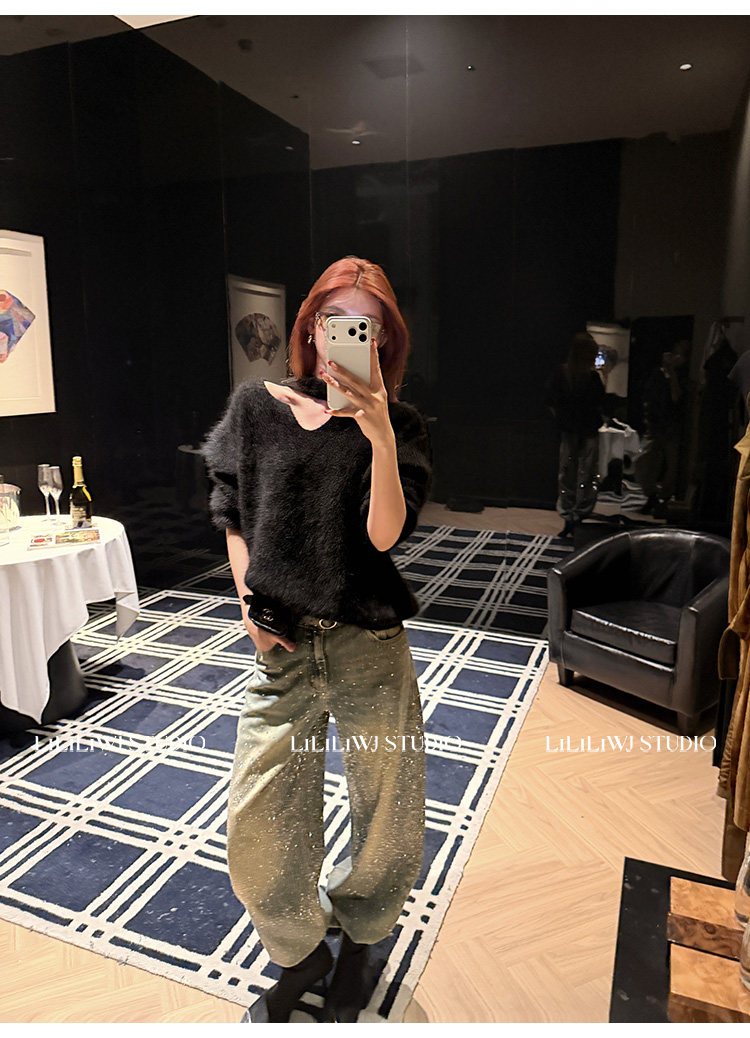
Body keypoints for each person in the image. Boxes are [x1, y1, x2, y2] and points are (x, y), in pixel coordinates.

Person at [201, 256, 433, 1023]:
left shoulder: (399, 423)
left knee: (387, 816)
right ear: (310, 326)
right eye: (336, 319)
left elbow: (385, 534)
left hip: (369, 645)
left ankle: (361, 940)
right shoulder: (255, 407)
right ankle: (302, 952)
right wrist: (249, 605)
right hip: (284, 649)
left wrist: (381, 436)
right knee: (259, 823)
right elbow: (231, 510)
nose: (348, 334)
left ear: (385, 337)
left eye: (367, 323)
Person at [545, 332, 606, 538]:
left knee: (572, 475)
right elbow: (598, 404)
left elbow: (551, 402)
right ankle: (575, 516)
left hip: (577, 430)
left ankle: (571, 516)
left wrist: (563, 419)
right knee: (580, 475)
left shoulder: (570, 375)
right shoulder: (582, 377)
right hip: (581, 430)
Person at [635, 340, 689, 519]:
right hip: (655, 425)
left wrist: (672, 373)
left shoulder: (682, 376)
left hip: (672, 426)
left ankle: (663, 500)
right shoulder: (656, 375)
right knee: (644, 461)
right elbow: (648, 397)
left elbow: (676, 397)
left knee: (671, 465)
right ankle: (651, 495)